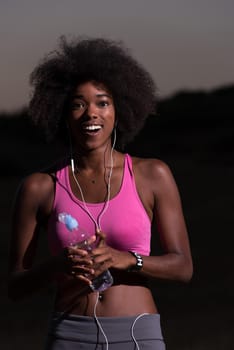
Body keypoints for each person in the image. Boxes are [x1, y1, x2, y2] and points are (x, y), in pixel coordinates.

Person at [8, 36, 193, 350]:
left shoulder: (152, 175)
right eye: (78, 104)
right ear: (62, 114)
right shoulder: (39, 187)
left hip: (138, 334)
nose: (90, 113)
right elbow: (15, 286)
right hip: (69, 336)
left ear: (118, 109)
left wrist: (126, 259)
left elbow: (183, 267)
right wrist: (58, 265)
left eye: (102, 102)